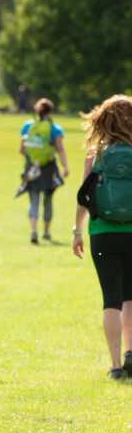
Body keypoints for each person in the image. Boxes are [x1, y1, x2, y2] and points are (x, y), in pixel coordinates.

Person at [72, 95, 132, 380]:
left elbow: (85, 196)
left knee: (112, 298)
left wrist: (76, 231)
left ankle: (116, 366)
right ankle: (131, 351)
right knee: (131, 296)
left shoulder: (96, 152)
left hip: (103, 232)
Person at [20, 98, 70, 244]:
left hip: (32, 167)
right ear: (51, 111)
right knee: (48, 201)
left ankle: (33, 230)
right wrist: (65, 166)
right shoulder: (55, 129)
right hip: (48, 168)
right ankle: (46, 232)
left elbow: (22, 149)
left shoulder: (28, 126)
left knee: (33, 200)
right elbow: (60, 149)